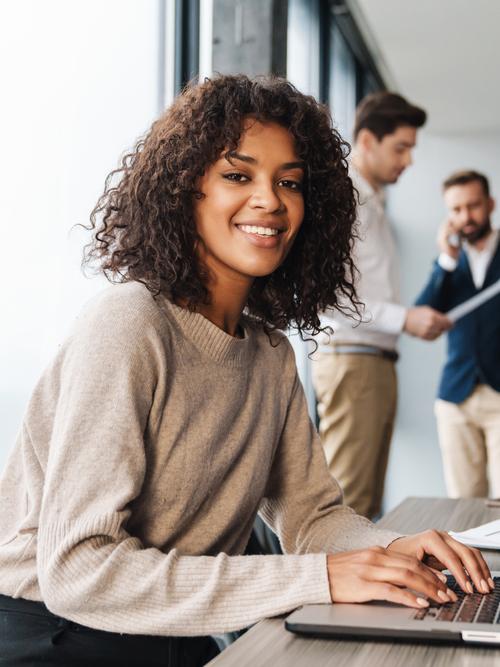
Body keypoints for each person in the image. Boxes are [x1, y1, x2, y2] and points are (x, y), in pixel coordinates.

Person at [0, 76, 491, 667]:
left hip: (177, 631)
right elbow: (79, 571)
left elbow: (314, 518)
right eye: (239, 176)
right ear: (187, 190)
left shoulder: (270, 354)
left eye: (290, 182)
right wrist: (318, 579)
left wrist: (395, 549)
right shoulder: (129, 322)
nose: (270, 200)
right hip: (58, 635)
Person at [312, 92, 452, 519]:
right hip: (354, 361)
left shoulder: (372, 201)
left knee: (365, 504)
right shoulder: (347, 200)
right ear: (368, 141)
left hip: (372, 361)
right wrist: (404, 318)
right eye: (401, 148)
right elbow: (329, 297)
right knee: (348, 504)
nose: (408, 160)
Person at [415, 169, 500, 498]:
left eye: (474, 206)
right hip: (456, 396)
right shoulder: (448, 263)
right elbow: (422, 315)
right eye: (456, 209)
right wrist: (446, 261)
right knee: (463, 501)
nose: (466, 216)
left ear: (490, 204)